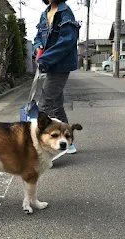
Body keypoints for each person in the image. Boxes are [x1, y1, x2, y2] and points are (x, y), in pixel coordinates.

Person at [33, 0, 80, 158]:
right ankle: (69, 143)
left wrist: (45, 58)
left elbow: (67, 41)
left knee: (44, 107)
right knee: (57, 107)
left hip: (60, 64)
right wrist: (38, 46)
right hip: (50, 64)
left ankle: (40, 150)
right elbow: (39, 36)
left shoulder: (66, 13)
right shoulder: (45, 14)